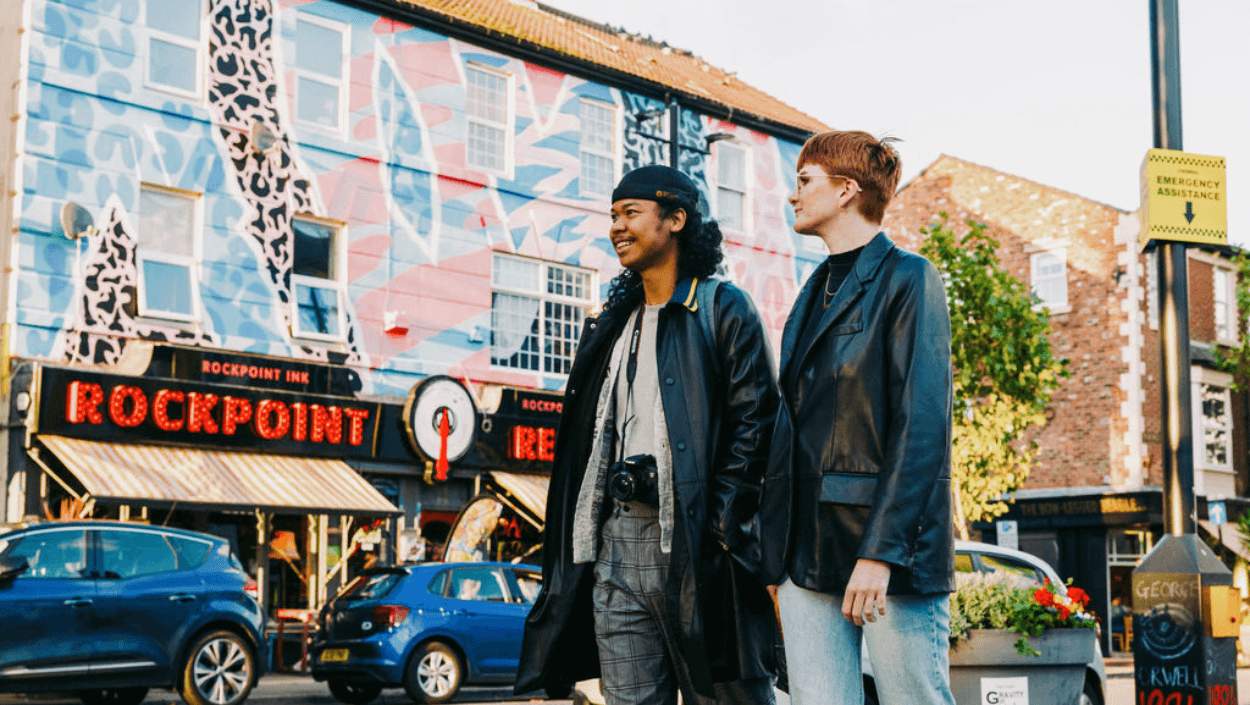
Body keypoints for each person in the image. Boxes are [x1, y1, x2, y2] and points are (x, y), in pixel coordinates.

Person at [516, 165, 779, 705]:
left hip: (696, 546)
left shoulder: (722, 309)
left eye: (630, 213)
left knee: (723, 697)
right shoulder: (611, 323)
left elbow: (755, 428)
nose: (617, 226)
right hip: (616, 543)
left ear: (676, 219)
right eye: (613, 215)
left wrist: (721, 525)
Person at [758, 131, 955, 705]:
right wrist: (776, 556)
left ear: (845, 190)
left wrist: (879, 553)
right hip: (805, 552)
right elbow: (790, 428)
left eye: (804, 182)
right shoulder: (812, 288)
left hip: (888, 552)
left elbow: (922, 428)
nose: (792, 196)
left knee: (913, 697)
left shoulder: (910, 278)